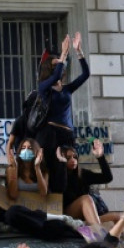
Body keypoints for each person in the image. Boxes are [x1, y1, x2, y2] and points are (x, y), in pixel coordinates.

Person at [35, 32, 89, 194]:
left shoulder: (66, 89)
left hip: (68, 134)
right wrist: (64, 53)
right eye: (55, 63)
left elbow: (85, 74)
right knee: (54, 166)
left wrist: (78, 51)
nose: (60, 64)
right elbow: (56, 74)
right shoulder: (44, 88)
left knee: (70, 167)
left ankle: (69, 197)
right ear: (48, 69)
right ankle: (53, 198)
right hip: (52, 134)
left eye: (60, 62)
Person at [61, 140, 114, 225]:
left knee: (118, 217)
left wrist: (100, 157)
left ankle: (92, 225)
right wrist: (61, 167)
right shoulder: (58, 176)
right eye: (68, 158)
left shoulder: (82, 174)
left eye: (75, 157)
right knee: (86, 199)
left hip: (87, 214)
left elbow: (107, 177)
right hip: (68, 214)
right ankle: (98, 234)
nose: (73, 160)